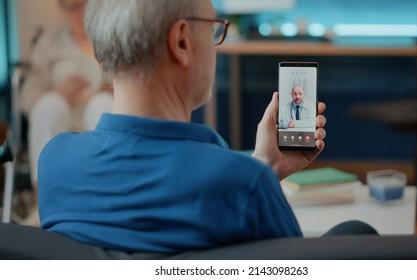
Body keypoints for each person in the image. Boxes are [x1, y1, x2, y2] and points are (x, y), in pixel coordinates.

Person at [37, 0, 328, 254]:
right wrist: (258, 175)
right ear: (181, 42)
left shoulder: (54, 162)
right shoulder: (245, 184)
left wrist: (266, 165)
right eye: (213, 27)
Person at [19, 0, 113, 227]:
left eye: (86, 4)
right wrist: (58, 92)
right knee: (47, 106)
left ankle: (102, 202)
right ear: (63, 8)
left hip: (98, 113)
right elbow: (26, 98)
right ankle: (43, 203)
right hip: (63, 116)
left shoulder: (112, 39)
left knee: (102, 104)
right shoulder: (49, 44)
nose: (82, 11)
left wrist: (111, 87)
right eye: (75, 6)